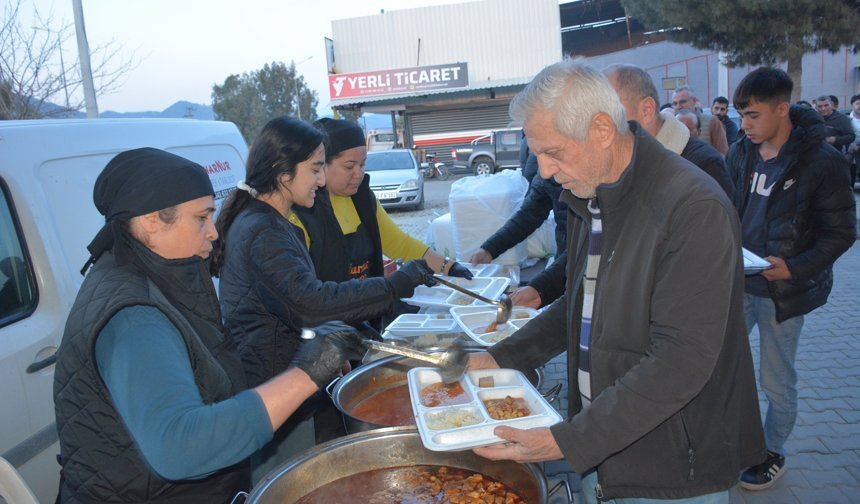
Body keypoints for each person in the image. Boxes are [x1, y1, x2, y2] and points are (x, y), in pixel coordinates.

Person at [468, 60, 765, 503]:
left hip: (672, 470)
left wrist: (568, 442)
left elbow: (680, 361)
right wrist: (499, 357)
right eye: (538, 154)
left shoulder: (692, 207)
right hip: (603, 448)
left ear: (602, 130)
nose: (544, 171)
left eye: (553, 152)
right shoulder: (591, 195)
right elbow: (579, 305)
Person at [53, 147, 367, 503]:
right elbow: (181, 448)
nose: (214, 233)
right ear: (151, 220)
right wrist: (307, 372)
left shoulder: (153, 273)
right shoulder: (133, 318)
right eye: (201, 218)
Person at [211, 117, 438, 478]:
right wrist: (395, 285)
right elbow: (310, 302)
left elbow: (293, 303)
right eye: (316, 169)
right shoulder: (262, 230)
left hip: (286, 377)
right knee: (294, 483)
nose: (320, 180)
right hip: (273, 385)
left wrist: (341, 335)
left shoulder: (273, 221)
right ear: (283, 172)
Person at [510, 63, 734, 309]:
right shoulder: (590, 188)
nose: (545, 171)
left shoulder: (697, 191)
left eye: (612, 105)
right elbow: (588, 289)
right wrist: (543, 288)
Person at [728, 68, 857, 491]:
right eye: (741, 116)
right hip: (736, 283)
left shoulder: (823, 162)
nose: (745, 125)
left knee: (776, 381)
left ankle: (771, 450)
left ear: (782, 109)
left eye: (753, 115)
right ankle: (732, 441)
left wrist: (795, 267)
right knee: (721, 368)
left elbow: (842, 233)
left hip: (783, 292)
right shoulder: (741, 152)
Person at [290, 118, 472, 288]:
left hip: (371, 304)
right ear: (322, 165)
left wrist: (448, 267)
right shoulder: (304, 211)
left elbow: (399, 243)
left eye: (362, 165)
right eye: (349, 166)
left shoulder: (363, 198)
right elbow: (307, 292)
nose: (358, 174)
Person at [467, 169, 566, 268]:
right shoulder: (547, 175)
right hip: (565, 262)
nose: (545, 169)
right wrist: (490, 249)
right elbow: (528, 216)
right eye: (539, 160)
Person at [672, 85, 730, 154]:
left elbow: (723, 153)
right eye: (675, 103)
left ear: (694, 101)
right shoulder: (670, 125)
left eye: (683, 102)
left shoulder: (711, 121)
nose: (678, 106)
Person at [848, 94, 860, 186]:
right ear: (852, 104)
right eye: (858, 103)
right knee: (849, 184)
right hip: (851, 158)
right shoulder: (847, 120)